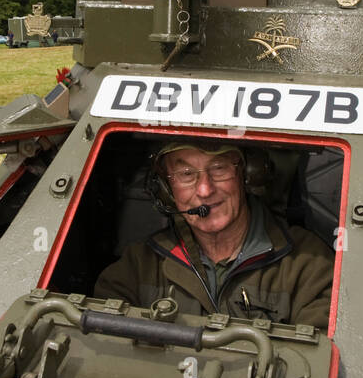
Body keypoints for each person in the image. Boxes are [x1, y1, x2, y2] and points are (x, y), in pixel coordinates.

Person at [94, 140, 334, 330]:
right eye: (186, 174)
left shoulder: (309, 266)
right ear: (167, 191)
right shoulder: (138, 265)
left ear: (247, 175)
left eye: (219, 168)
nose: (205, 190)